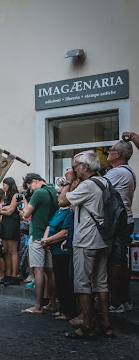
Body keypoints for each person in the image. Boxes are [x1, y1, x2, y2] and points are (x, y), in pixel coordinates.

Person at [59, 150, 114, 339]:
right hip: (104, 239)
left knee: (83, 284)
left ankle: (87, 326)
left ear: (85, 167)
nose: (74, 169)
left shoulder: (88, 185)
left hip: (86, 241)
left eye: (76, 166)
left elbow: (62, 201)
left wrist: (67, 181)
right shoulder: (105, 181)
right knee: (101, 283)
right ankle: (107, 326)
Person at [19, 173, 58, 315]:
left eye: (30, 188)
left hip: (37, 235)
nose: (30, 191)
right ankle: (52, 304)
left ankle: (38, 306)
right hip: (51, 237)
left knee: (38, 270)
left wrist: (24, 204)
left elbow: (25, 214)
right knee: (50, 271)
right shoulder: (54, 190)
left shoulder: (39, 193)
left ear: (35, 181)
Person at [42, 171, 78, 321]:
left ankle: (68, 311)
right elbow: (50, 225)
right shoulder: (59, 210)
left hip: (63, 252)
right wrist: (46, 239)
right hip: (55, 251)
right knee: (59, 281)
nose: (58, 196)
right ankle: (63, 308)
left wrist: (48, 241)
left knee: (65, 282)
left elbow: (64, 233)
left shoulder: (69, 211)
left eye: (60, 194)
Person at [104, 140, 135, 313]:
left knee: (116, 262)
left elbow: (99, 188)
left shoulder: (117, 173)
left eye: (110, 150)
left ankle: (116, 301)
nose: (108, 152)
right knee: (121, 261)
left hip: (118, 223)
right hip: (125, 221)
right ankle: (123, 299)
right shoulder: (127, 171)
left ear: (118, 155)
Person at [0, 177, 21, 286]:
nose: (3, 187)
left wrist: (2, 210)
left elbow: (11, 211)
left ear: (9, 184)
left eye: (5, 184)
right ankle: (8, 273)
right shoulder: (6, 197)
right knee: (5, 250)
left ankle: (14, 275)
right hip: (5, 224)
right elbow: (4, 209)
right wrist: (4, 210)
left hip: (12, 224)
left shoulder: (16, 196)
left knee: (12, 250)